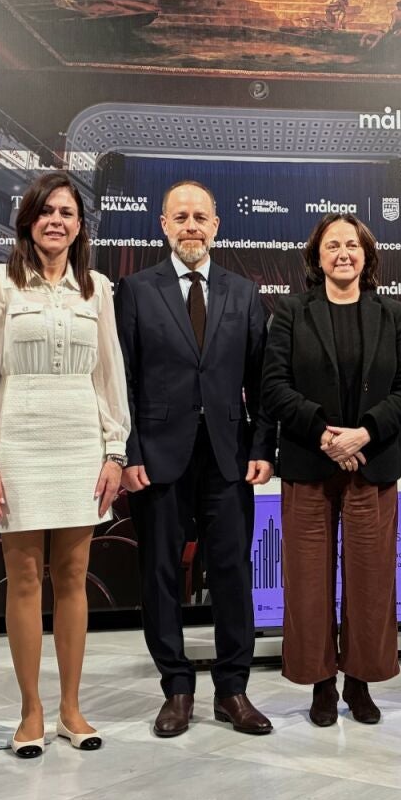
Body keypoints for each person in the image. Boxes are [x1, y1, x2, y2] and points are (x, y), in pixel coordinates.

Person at [0, 172, 129, 758]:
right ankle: (30, 710)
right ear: (28, 221)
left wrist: (115, 449)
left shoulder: (98, 288)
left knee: (73, 576)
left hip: (81, 441)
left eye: (66, 212)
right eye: (46, 211)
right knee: (24, 578)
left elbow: (109, 373)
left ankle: (71, 708)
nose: (56, 221)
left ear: (80, 225)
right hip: (18, 439)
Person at [116, 180, 275, 738]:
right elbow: (123, 379)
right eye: (180, 217)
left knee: (232, 573)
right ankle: (177, 689)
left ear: (216, 226)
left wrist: (263, 448)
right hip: (156, 458)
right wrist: (129, 452)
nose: (191, 226)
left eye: (200, 217)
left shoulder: (244, 292)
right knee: (160, 575)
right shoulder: (135, 290)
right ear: (163, 225)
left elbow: (263, 380)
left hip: (230, 458)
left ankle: (233, 690)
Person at [261, 213, 401, 726]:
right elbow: (274, 386)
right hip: (310, 461)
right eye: (332, 245)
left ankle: (360, 682)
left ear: (366, 255)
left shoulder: (392, 313)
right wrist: (326, 436)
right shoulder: (291, 311)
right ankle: (321, 684)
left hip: (372, 462)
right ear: (317, 256)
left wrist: (364, 433)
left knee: (371, 580)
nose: (343, 253)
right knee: (308, 582)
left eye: (352, 244)